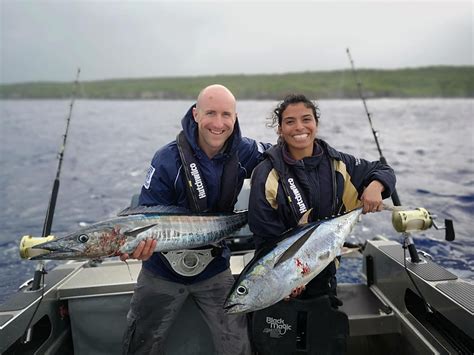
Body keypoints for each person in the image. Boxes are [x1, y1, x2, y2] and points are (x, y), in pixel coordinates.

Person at [121, 84, 269, 354]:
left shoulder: (246, 151)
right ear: (196, 114)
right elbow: (145, 217)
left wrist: (372, 178)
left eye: (226, 115)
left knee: (238, 346)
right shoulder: (166, 159)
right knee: (140, 344)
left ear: (235, 118)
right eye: (210, 113)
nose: (219, 123)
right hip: (161, 271)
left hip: (214, 267)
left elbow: (288, 156)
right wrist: (137, 246)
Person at [248, 93, 396, 305]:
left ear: (316, 124)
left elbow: (383, 170)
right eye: (290, 121)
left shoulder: (338, 163)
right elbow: (265, 239)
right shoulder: (266, 173)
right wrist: (284, 281)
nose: (299, 127)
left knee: (323, 331)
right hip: (284, 279)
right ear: (280, 129)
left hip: (326, 271)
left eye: (306, 119)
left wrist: (375, 186)